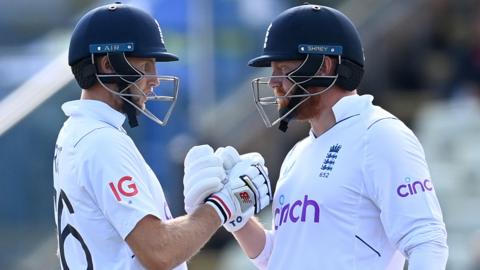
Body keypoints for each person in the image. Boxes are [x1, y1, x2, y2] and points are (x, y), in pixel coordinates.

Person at [200, 4, 449, 269]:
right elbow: (278, 258)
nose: (273, 82)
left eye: (284, 69)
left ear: (324, 66)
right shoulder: (298, 154)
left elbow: (427, 241)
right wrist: (236, 217)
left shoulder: (380, 135)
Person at [53, 3, 271, 269]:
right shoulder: (101, 141)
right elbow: (159, 251)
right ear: (108, 64)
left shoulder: (77, 132)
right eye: (145, 65)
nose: (154, 79)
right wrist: (226, 203)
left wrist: (208, 211)